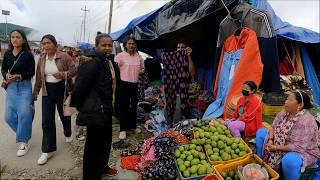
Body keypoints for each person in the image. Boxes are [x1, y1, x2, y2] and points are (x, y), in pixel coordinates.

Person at [71, 33, 118, 179]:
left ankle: (102, 167)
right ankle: (91, 175)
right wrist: (82, 108)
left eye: (109, 45)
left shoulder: (108, 61)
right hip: (96, 112)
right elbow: (79, 88)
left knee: (105, 142)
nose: (107, 48)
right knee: (93, 147)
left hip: (106, 110)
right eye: (103, 45)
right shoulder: (92, 62)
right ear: (96, 46)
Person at [256, 91, 320, 180]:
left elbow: (297, 147)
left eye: (290, 100)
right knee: (261, 133)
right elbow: (273, 127)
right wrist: (270, 140)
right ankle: (260, 164)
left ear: (300, 105)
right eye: (287, 99)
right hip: (279, 143)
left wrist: (275, 147)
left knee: (290, 160)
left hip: (302, 151)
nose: (286, 102)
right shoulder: (285, 112)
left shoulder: (306, 121)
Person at [33, 34, 76, 165]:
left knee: (64, 116)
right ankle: (47, 150)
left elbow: (74, 70)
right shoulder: (41, 58)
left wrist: (63, 75)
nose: (46, 45)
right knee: (47, 120)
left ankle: (68, 133)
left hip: (62, 89)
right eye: (44, 43)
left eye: (48, 43)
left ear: (54, 43)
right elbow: (39, 77)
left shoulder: (64, 56)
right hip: (47, 91)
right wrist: (35, 92)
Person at [1, 29, 35, 157]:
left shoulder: (28, 55)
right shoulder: (7, 54)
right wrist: (6, 74)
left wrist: (19, 76)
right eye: (13, 37)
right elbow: (3, 68)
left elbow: (32, 72)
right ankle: (24, 133)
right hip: (11, 87)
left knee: (24, 114)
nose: (15, 39)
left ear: (23, 40)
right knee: (8, 117)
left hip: (25, 86)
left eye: (18, 37)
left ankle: (23, 142)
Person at [114, 36, 144, 143]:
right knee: (124, 106)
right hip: (123, 84)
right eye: (129, 43)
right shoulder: (120, 56)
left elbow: (142, 68)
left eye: (133, 43)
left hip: (135, 84)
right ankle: (123, 129)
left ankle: (133, 126)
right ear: (125, 45)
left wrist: (141, 71)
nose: (131, 45)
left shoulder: (138, 56)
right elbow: (114, 68)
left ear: (135, 45)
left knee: (134, 106)